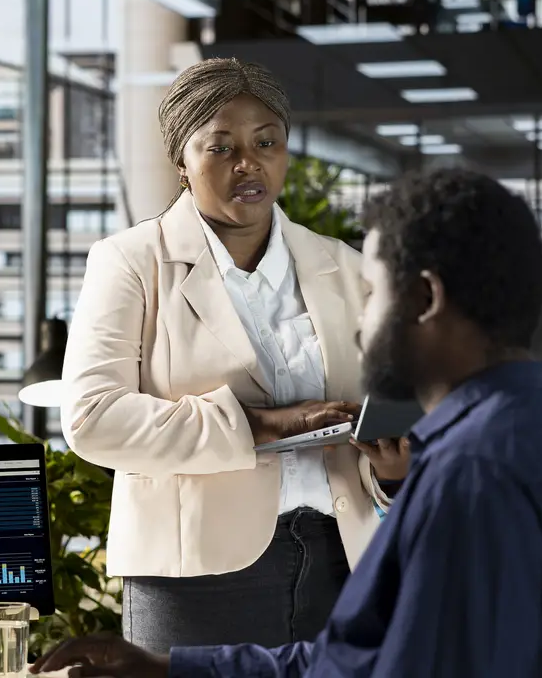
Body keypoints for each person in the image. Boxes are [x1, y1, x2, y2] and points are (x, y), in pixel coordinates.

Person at [34, 168, 542, 678]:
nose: (360, 323)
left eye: (374, 293)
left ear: (426, 300)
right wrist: (168, 669)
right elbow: (358, 661)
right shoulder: (513, 431)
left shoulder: (473, 475)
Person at [58, 58, 407, 653]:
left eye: (266, 142)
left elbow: (383, 411)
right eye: (221, 148)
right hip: (198, 575)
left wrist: (393, 475)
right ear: (182, 162)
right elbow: (92, 418)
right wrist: (257, 425)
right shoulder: (130, 262)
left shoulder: (347, 269)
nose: (249, 163)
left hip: (341, 560)